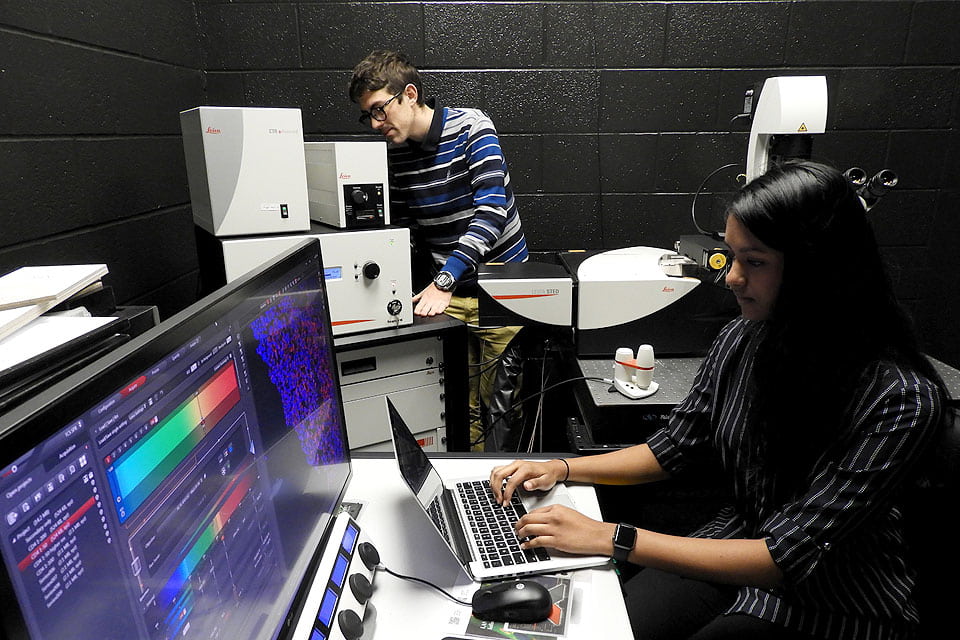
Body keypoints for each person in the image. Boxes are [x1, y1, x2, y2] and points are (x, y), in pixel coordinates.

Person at [489, 161, 947, 640]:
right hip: (737, 547)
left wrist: (611, 538)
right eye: (731, 256)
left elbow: (784, 558)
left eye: (755, 262)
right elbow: (675, 448)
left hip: (836, 602)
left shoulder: (901, 399)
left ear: (818, 269)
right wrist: (562, 468)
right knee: (608, 628)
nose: (731, 277)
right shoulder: (742, 340)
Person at [348, 50, 528, 450]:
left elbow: (492, 210)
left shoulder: (472, 126)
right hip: (445, 298)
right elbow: (404, 230)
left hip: (501, 290)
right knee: (457, 408)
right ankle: (472, 491)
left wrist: (444, 279)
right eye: (368, 116)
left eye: (380, 110)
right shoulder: (395, 156)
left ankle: (504, 497)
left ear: (409, 94)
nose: (376, 124)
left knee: (500, 408)